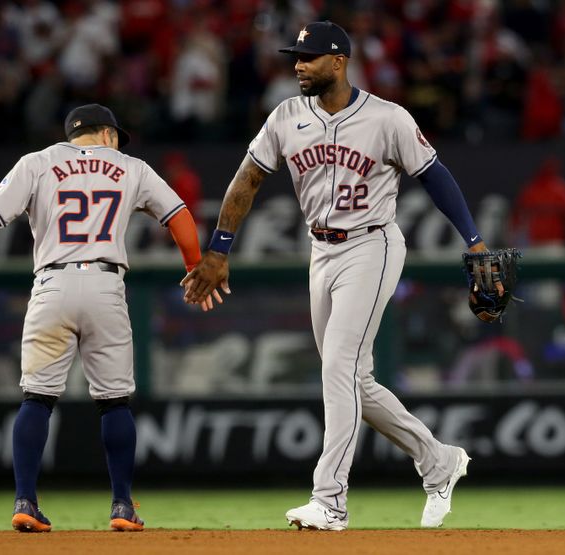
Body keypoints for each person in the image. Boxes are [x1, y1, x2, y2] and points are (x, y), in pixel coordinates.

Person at [182, 21, 494, 530]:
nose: (299, 65)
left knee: (340, 368)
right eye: (295, 57)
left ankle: (329, 501)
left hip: (373, 244)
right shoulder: (286, 116)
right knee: (353, 378)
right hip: (320, 251)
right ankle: (438, 460)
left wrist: (474, 239)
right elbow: (248, 179)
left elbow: (435, 176)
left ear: (339, 62)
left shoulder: (386, 118)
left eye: (309, 57)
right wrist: (219, 249)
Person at [0, 103, 222, 532]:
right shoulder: (131, 167)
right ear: (108, 134)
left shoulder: (38, 163)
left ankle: (25, 501)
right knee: (114, 402)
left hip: (52, 286)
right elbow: (179, 216)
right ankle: (121, 507)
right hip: (105, 285)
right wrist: (194, 267)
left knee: (36, 398)